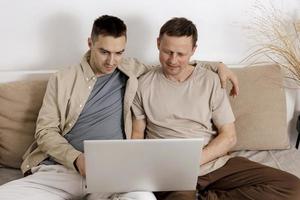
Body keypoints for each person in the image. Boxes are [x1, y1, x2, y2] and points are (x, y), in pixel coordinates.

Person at [0, 15, 238, 200]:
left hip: (114, 175)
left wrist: (217, 65)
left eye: (118, 53)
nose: (111, 61)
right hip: (61, 170)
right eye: (104, 52)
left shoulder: (132, 69)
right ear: (90, 43)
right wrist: (76, 159)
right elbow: (45, 132)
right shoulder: (62, 79)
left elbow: (174, 63)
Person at [131, 17, 300, 200]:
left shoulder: (211, 80)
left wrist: (194, 162)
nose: (173, 60)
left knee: (292, 188)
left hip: (215, 165)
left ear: (193, 50)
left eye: (181, 54)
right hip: (171, 171)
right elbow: (137, 136)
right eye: (167, 52)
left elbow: (229, 136)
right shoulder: (143, 85)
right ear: (158, 43)